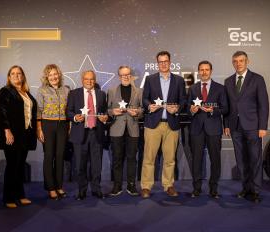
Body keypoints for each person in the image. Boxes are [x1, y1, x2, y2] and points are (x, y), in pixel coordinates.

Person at [224, 51, 269, 203]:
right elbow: (228, 106)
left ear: (247, 61)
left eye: (241, 60)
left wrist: (262, 126)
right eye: (235, 61)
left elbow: (264, 105)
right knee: (241, 160)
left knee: (255, 159)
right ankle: (246, 188)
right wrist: (227, 125)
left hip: (253, 126)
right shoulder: (228, 81)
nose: (238, 63)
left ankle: (256, 191)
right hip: (235, 127)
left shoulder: (257, 79)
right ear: (233, 63)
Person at [140, 51, 186, 198]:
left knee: (170, 158)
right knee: (149, 158)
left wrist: (177, 107)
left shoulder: (179, 80)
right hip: (153, 123)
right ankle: (146, 186)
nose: (163, 64)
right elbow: (144, 99)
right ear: (157, 63)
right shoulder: (150, 79)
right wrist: (149, 106)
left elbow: (183, 100)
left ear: (170, 62)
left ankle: (168, 185)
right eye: (161, 62)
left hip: (171, 125)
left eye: (166, 61)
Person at [0, 65, 37, 208]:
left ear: (23, 76)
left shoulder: (26, 93)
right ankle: (8, 198)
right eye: (13, 74)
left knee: (20, 166)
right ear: (9, 77)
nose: (16, 76)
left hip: (25, 135)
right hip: (12, 135)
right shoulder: (6, 91)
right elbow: (2, 113)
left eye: (19, 73)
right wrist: (7, 130)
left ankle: (20, 195)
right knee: (12, 166)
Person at [187, 60, 228, 199]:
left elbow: (225, 108)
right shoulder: (192, 89)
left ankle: (213, 189)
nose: (204, 72)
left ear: (211, 71)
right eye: (201, 70)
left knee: (215, 160)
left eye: (207, 70)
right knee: (196, 160)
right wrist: (192, 110)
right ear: (198, 72)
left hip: (214, 129)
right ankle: (196, 189)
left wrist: (212, 110)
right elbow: (187, 109)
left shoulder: (220, 88)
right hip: (196, 129)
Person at [66, 70, 108, 200]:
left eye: (91, 79)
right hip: (80, 134)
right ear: (82, 80)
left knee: (97, 165)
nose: (89, 81)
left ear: (94, 80)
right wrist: (75, 117)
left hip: (96, 133)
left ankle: (96, 189)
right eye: (86, 79)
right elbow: (68, 111)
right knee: (80, 165)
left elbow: (105, 112)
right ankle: (82, 191)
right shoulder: (74, 93)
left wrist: (105, 117)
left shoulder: (101, 94)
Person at [107, 66, 143, 196]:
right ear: (119, 76)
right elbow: (107, 110)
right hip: (116, 129)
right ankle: (117, 185)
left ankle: (131, 185)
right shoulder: (111, 91)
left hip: (132, 129)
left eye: (128, 74)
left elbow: (143, 110)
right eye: (123, 75)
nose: (126, 77)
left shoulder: (139, 91)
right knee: (117, 158)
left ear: (131, 75)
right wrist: (113, 112)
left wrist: (137, 112)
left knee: (132, 158)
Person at [36, 64, 70, 200]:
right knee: (49, 156)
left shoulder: (66, 90)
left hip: (62, 125)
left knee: (60, 156)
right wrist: (39, 129)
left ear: (59, 75)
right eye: (50, 75)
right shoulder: (42, 90)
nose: (53, 77)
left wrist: (69, 126)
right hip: (47, 125)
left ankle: (59, 186)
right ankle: (51, 188)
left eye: (55, 74)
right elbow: (38, 111)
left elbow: (69, 110)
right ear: (46, 77)